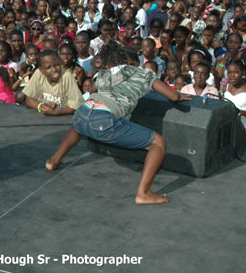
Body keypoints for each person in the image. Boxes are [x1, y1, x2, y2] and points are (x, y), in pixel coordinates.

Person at [45, 42, 191, 204]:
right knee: (159, 143)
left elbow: (95, 90)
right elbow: (173, 97)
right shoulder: (144, 74)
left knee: (79, 124)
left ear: (108, 61)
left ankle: (53, 160)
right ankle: (144, 193)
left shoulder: (101, 75)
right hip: (104, 120)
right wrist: (179, 96)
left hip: (83, 112)